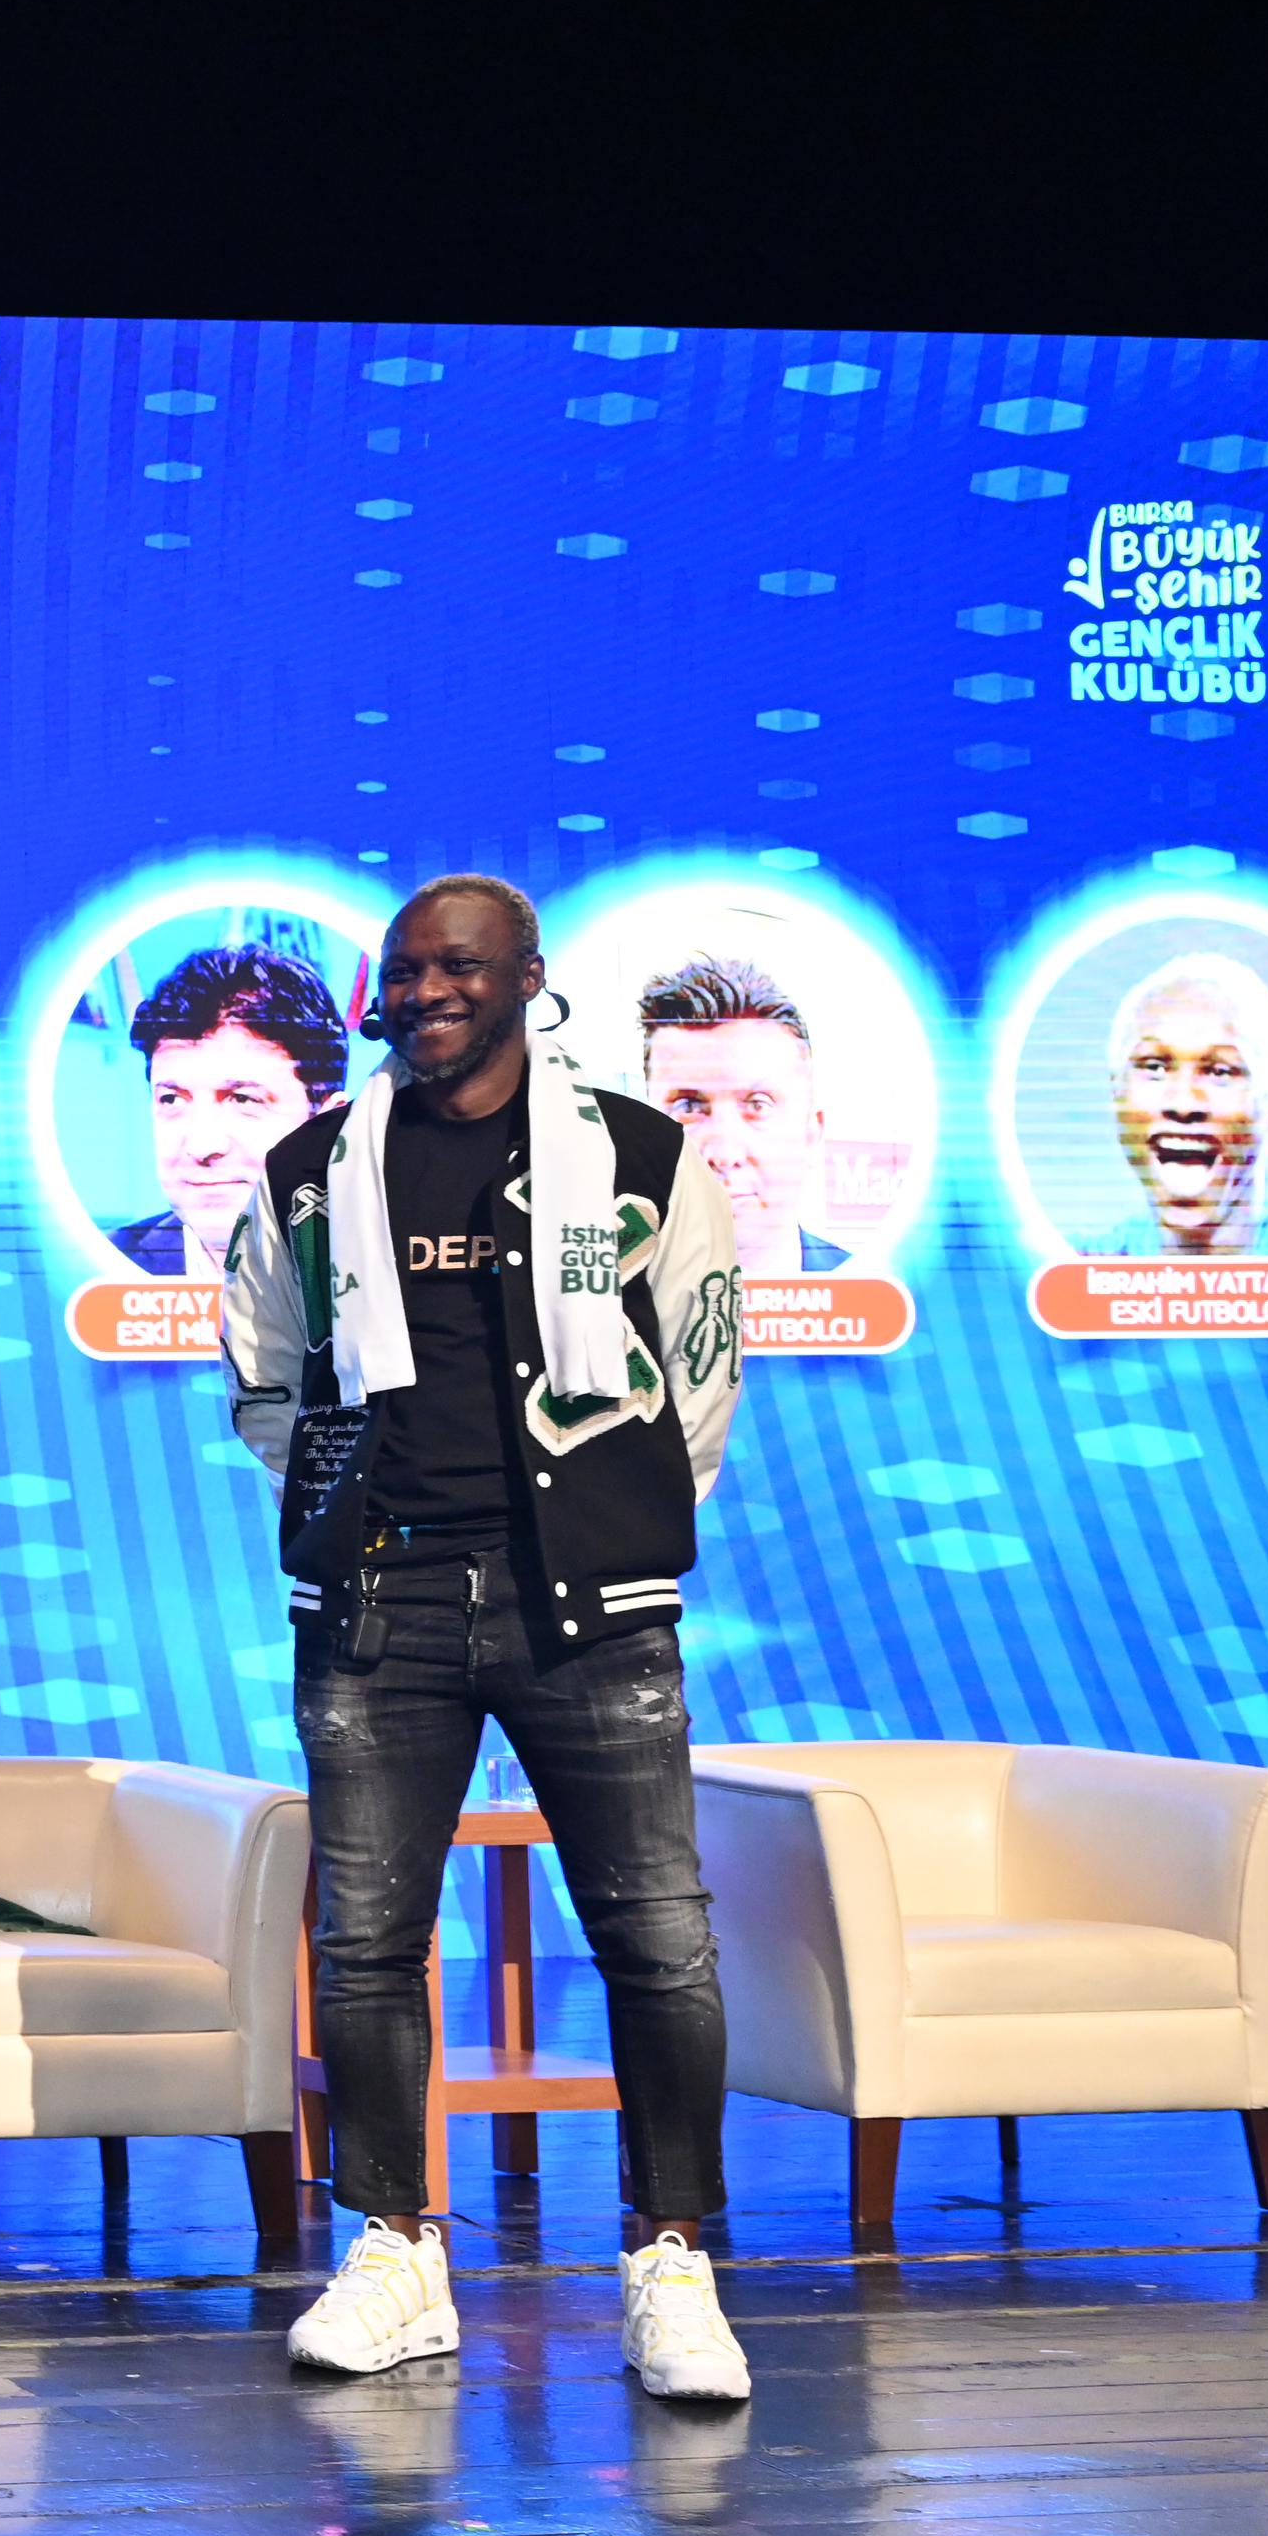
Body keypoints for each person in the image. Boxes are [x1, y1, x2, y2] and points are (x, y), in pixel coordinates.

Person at [223, 873, 751, 2405]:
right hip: (380, 1603)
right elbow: (267, 1374)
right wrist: (347, 1508)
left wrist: (615, 1517)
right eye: (404, 971)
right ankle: (396, 2252)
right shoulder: (314, 1169)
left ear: (529, 977)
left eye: (460, 965)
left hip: (589, 1608)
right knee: (367, 1941)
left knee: (658, 1937)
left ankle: (671, 2260)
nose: (427, 990)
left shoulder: (640, 1155)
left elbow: (701, 1370)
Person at [109, 942, 349, 1275]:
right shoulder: (100, 1268)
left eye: (243, 1099)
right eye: (172, 1100)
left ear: (329, 1126)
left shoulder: (394, 1264)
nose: (201, 1146)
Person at [1093, 953, 1268, 1255]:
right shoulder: (1080, 1265)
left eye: (1220, 1072)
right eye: (1154, 1067)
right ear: (1116, 1093)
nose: (1184, 1103)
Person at [638, 955, 857, 1274]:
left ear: (811, 1133)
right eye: (688, 1107)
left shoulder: (879, 1293)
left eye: (758, 1105)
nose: (724, 1155)